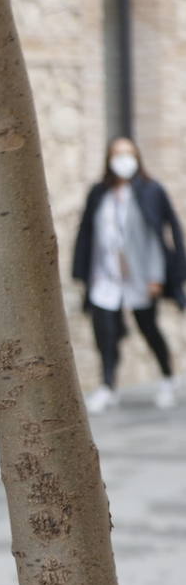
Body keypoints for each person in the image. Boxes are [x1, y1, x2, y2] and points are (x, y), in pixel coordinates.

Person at [72, 136, 186, 413]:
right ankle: (108, 386)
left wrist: (157, 276)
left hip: (141, 277)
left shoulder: (150, 190)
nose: (123, 160)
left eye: (128, 154)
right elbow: (87, 232)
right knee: (105, 333)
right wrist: (82, 273)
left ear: (137, 157)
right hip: (105, 276)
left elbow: (159, 235)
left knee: (149, 329)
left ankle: (168, 379)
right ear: (109, 159)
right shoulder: (100, 193)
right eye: (117, 154)